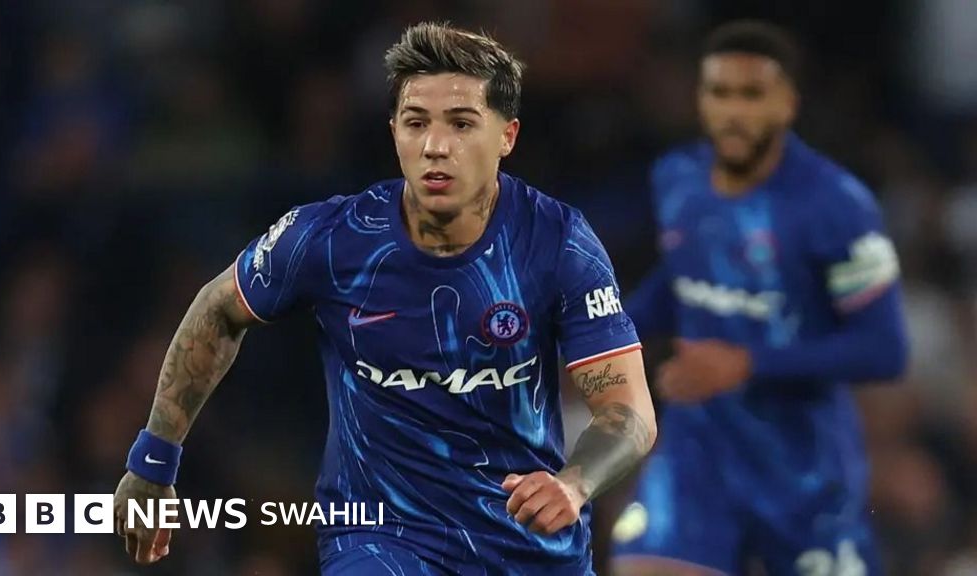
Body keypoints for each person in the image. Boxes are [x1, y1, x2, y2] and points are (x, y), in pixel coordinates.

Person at [113, 22, 656, 575]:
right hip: (379, 538)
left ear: (507, 136)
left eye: (462, 124)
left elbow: (628, 411)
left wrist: (574, 483)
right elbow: (217, 309)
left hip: (528, 549)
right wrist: (154, 460)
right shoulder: (332, 238)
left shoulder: (557, 241)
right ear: (394, 131)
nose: (435, 146)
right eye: (416, 123)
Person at [610, 20, 908, 576]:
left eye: (751, 94)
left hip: (802, 469)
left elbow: (884, 349)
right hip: (699, 453)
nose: (733, 112)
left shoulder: (837, 205)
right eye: (719, 92)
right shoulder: (677, 178)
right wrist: (602, 334)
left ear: (787, 103)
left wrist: (747, 363)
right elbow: (681, 280)